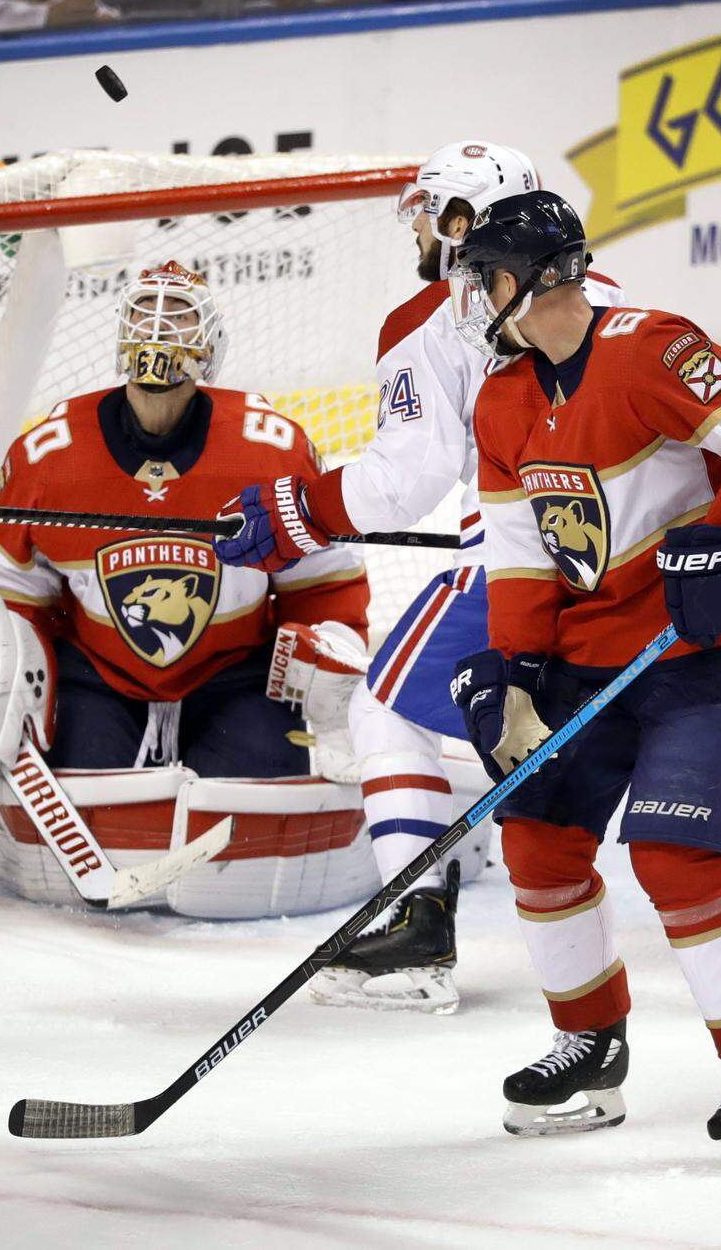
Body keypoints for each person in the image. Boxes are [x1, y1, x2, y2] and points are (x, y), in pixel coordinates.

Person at [448, 190, 721, 1170]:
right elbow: (525, 551)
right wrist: (514, 674)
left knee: (673, 856)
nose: (473, 293)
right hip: (587, 654)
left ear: (533, 280)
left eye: (484, 272)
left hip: (706, 652)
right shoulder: (502, 397)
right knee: (536, 833)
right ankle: (590, 1041)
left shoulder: (653, 349)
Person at [214, 140, 626, 1014]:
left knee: (383, 706)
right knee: (645, 722)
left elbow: (407, 477)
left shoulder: (430, 321)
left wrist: (299, 509)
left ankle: (417, 924)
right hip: (627, 561)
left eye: (435, 210)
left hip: (514, 567)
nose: (422, 229)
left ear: (467, 221)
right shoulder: (607, 294)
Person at [0, 262, 377, 919]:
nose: (159, 329)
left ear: (210, 346)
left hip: (236, 674)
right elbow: (3, 593)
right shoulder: (49, 454)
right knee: (89, 797)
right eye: (146, 311)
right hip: (100, 675)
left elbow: (324, 584)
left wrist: (322, 667)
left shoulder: (269, 449)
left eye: (178, 316)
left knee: (256, 792)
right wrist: (6, 688)